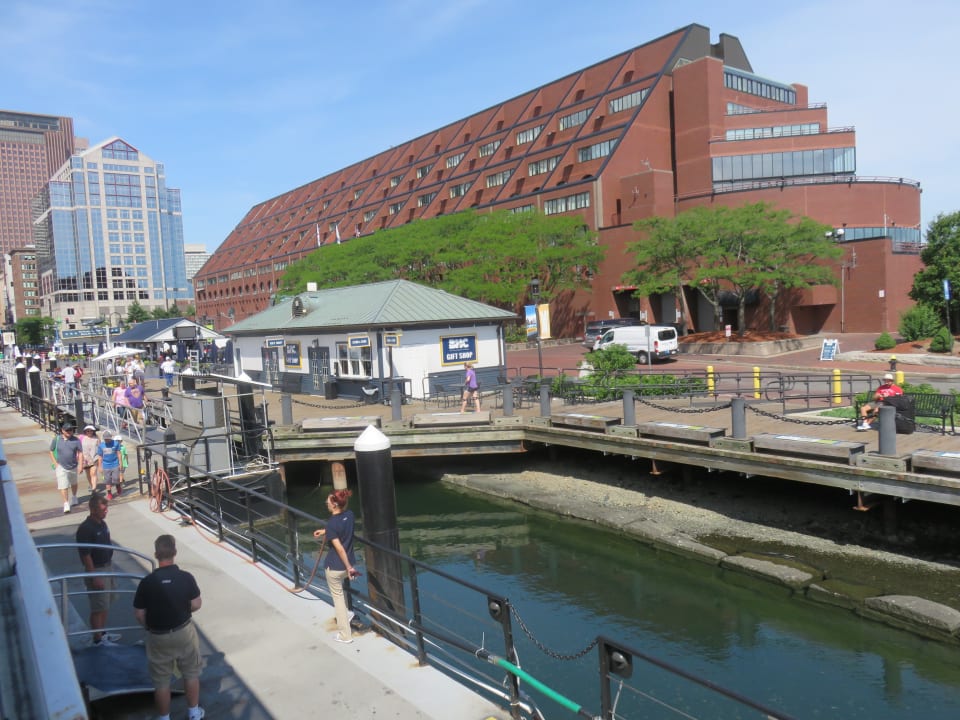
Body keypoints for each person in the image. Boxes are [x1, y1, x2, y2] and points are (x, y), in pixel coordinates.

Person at [133, 534, 204, 720]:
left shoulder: (147, 582)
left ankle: (164, 717)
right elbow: (196, 604)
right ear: (175, 552)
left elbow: (139, 613)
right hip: (183, 631)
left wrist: (149, 626)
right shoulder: (186, 577)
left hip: (157, 635)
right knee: (190, 673)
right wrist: (181, 609)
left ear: (156, 554)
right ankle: (194, 713)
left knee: (161, 682)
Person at [312, 489, 360, 644]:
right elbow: (340, 528)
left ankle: (345, 635)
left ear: (333, 505)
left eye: (328, 501)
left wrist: (348, 568)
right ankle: (348, 614)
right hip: (350, 563)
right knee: (341, 593)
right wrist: (325, 531)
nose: (326, 503)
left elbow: (339, 549)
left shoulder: (332, 523)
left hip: (336, 567)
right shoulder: (350, 515)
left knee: (338, 599)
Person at [76, 494, 120, 645]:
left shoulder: (102, 524)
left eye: (106, 508)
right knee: (98, 606)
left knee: (105, 603)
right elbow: (85, 555)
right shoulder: (85, 529)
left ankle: (102, 633)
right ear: (93, 509)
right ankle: (97, 640)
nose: (106, 511)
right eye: (103, 508)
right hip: (97, 570)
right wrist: (94, 575)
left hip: (108, 567)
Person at [50, 420, 83, 513]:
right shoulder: (56, 439)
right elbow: (51, 450)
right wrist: (55, 463)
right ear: (62, 431)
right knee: (63, 485)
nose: (69, 432)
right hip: (61, 466)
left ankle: (74, 496)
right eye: (67, 430)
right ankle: (66, 503)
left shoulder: (76, 440)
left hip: (73, 465)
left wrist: (81, 465)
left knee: (74, 483)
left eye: (71, 430)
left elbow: (80, 453)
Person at [98, 430, 123, 499]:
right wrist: (100, 466)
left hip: (115, 463)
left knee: (116, 478)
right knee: (107, 480)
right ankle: (109, 493)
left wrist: (120, 463)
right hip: (106, 465)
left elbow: (119, 453)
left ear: (111, 437)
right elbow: (100, 456)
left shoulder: (116, 443)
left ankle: (118, 487)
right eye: (105, 439)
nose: (107, 440)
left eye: (108, 438)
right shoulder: (101, 445)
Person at [80, 425, 101, 494]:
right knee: (88, 474)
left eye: (91, 431)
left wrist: (101, 458)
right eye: (87, 431)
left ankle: (94, 489)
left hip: (94, 458)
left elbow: (100, 448)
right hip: (85, 459)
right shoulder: (81, 438)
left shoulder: (96, 438)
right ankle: (91, 485)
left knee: (93, 473)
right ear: (85, 431)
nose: (89, 432)